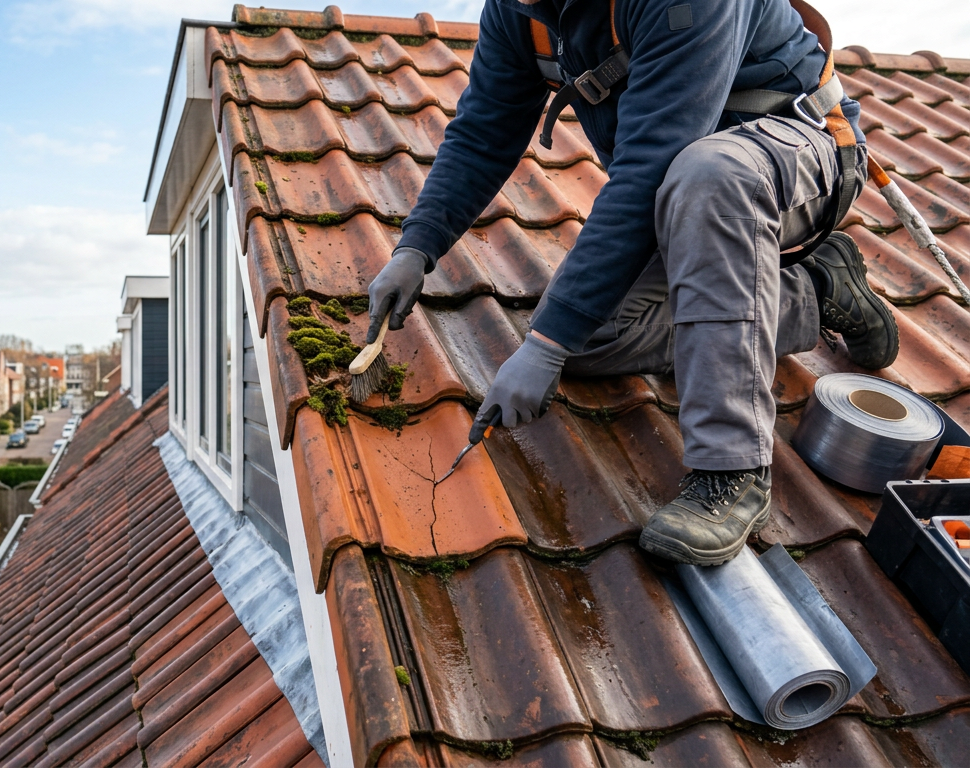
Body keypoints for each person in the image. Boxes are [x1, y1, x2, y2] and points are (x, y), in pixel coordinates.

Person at [365, 0, 897, 566]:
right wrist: (417, 246)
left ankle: (731, 472)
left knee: (709, 173)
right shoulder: (518, 10)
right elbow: (483, 132)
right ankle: (818, 290)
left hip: (793, 155)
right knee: (589, 336)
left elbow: (650, 165)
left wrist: (543, 342)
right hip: (684, 196)